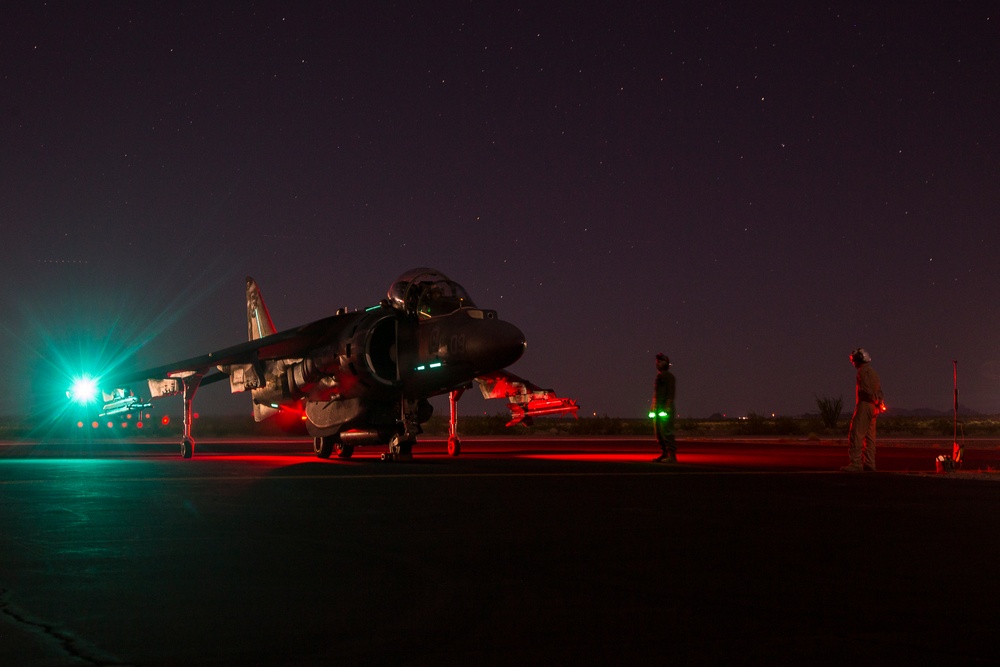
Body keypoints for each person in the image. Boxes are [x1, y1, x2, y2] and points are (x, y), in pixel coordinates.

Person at [842, 348, 884, 472]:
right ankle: (870, 463)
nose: (853, 362)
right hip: (874, 407)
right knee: (870, 437)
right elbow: (879, 390)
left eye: (854, 360)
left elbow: (866, 390)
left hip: (865, 405)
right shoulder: (873, 372)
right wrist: (879, 402)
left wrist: (873, 399)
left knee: (856, 434)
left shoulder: (862, 372)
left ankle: (856, 463)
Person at [650, 353, 677, 463]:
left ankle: (672, 455)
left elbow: (670, 393)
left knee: (666, 432)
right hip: (658, 408)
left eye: (659, 362)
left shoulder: (669, 377)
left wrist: (667, 407)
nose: (657, 364)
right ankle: (664, 453)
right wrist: (653, 406)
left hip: (665, 409)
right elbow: (656, 394)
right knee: (659, 433)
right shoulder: (659, 376)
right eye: (657, 362)